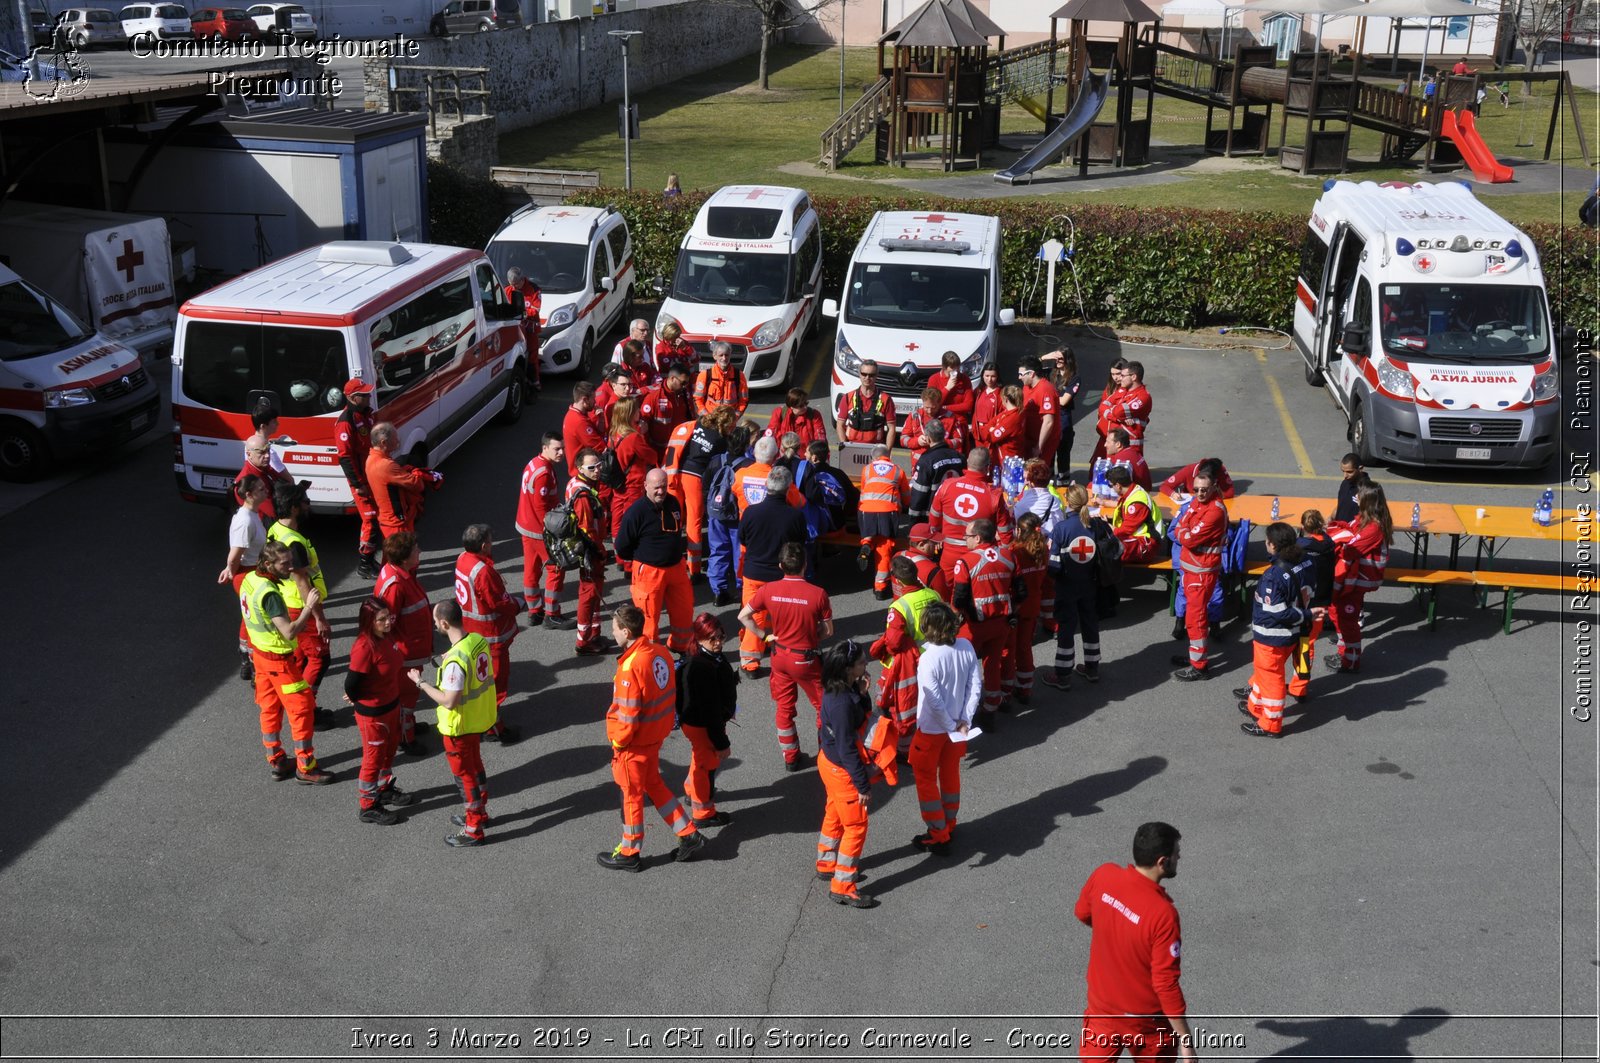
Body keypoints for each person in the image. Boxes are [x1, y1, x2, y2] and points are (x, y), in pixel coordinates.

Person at [597, 604, 708, 871]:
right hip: (654, 737)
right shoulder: (660, 652)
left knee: (631, 796)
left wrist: (618, 742)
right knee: (655, 787)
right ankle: (688, 834)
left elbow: (628, 714)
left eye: (614, 630)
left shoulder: (630, 667)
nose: (612, 634)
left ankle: (629, 851)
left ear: (626, 631)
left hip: (633, 743)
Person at [1075, 822, 1196, 1062]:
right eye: (1176, 854)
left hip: (1101, 1011)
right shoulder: (1163, 915)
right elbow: (1165, 984)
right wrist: (1186, 1041)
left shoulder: (1104, 875)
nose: (1179, 856)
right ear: (1162, 862)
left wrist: (1117, 930)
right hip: (1146, 1023)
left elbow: (1082, 913)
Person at [238, 541, 330, 785]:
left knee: (269, 708)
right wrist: (308, 607)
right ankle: (306, 767)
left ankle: (276, 760)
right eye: (285, 563)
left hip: (260, 657)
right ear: (268, 564)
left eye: (291, 561)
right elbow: (289, 632)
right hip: (279, 661)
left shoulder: (250, 580)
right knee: (301, 708)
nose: (290, 568)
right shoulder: (270, 594)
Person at [409, 601, 496, 848]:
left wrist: (421, 683)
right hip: (477, 719)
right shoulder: (476, 640)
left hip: (458, 726)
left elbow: (449, 701)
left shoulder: (455, 662)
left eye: (436, 621)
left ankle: (473, 828)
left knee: (464, 776)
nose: (435, 625)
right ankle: (481, 814)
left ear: (445, 624)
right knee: (476, 768)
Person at [741, 542, 834, 771]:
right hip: (806, 659)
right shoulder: (818, 594)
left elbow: (744, 616)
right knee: (824, 706)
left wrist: (765, 636)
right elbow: (829, 631)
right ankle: (827, 753)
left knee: (784, 708)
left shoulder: (768, 590)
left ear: (781, 565)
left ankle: (790, 757)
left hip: (779, 656)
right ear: (805, 564)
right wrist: (812, 636)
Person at [1236, 523, 1322, 739]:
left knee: (1272, 677)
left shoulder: (1274, 575)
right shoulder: (1308, 561)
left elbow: (1278, 612)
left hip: (1272, 636)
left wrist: (1306, 615)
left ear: (1272, 545)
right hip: (1292, 633)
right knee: (1266, 674)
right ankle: (1255, 707)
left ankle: (1271, 724)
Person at [909, 601, 980, 856]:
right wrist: (965, 720)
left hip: (931, 730)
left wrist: (951, 724)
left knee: (926, 779)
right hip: (958, 730)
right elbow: (975, 686)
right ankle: (949, 823)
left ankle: (938, 834)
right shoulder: (966, 646)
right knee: (950, 774)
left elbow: (934, 700)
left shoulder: (928, 659)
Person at [343, 597, 418, 824]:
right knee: (373, 759)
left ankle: (383, 788)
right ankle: (368, 805)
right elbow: (351, 683)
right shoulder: (364, 647)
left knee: (389, 750)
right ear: (369, 622)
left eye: (388, 617)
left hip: (391, 706)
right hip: (373, 715)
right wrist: (355, 697)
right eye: (381, 619)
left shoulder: (386, 637)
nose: (387, 622)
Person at [815, 639, 878, 908]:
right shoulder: (841, 704)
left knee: (834, 813)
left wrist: (863, 694)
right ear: (848, 668)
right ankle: (843, 885)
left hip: (829, 764)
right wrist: (862, 785)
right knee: (855, 826)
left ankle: (826, 862)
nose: (866, 664)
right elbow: (847, 748)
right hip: (841, 770)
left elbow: (858, 716)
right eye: (862, 661)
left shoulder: (843, 690)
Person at [267, 481, 335, 729]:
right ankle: (307, 708)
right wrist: (319, 617)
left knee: (299, 659)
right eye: (305, 501)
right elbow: (303, 581)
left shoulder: (276, 529)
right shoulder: (294, 542)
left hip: (288, 602)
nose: (309, 504)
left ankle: (296, 702)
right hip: (300, 606)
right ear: (294, 508)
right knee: (319, 659)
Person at [453, 523, 521, 744]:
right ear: (483, 546)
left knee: (479, 681)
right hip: (491, 637)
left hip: (472, 631)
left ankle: (485, 720)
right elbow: (498, 602)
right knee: (494, 685)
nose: (492, 544)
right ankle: (494, 728)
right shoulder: (483, 571)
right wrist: (518, 605)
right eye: (491, 541)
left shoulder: (463, 559)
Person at [615, 469, 694, 654]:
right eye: (657, 487)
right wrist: (643, 557)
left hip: (676, 569)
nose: (661, 491)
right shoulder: (636, 512)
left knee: (684, 613)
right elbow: (622, 546)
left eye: (664, 486)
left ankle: (681, 646)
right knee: (648, 620)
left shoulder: (673, 502)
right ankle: (650, 655)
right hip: (650, 573)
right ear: (646, 486)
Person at [950, 517, 1018, 725]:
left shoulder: (966, 561)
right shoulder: (1008, 556)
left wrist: (955, 618)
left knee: (962, 669)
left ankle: (959, 712)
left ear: (978, 538)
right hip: (1001, 623)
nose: (965, 540)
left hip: (974, 626)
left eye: (968, 536)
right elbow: (1020, 591)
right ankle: (990, 710)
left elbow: (959, 598)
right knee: (993, 665)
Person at [871, 554, 941, 749]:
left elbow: (893, 644)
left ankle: (903, 746)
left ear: (897, 579)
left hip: (909, 663)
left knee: (901, 703)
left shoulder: (899, 606)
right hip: (934, 655)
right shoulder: (933, 595)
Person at [374, 531, 432, 757]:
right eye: (416, 549)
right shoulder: (396, 585)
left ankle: (407, 724)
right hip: (405, 654)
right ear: (405, 558)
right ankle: (405, 738)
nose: (419, 551)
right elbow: (386, 625)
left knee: (409, 696)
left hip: (410, 650)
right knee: (407, 697)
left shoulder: (400, 574)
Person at [1042, 485, 1103, 691]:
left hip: (1067, 586)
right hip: (1089, 585)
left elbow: (1054, 565)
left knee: (1067, 629)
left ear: (1068, 502)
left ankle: (1062, 675)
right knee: (1090, 624)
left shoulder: (1061, 529)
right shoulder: (1094, 525)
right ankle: (1092, 668)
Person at [1327, 483, 1392, 674]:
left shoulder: (1373, 528)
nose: (1355, 499)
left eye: (1359, 497)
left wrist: (1336, 538)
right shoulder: (1365, 520)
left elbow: (1350, 549)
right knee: (1338, 615)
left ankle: (1351, 660)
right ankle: (1344, 652)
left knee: (1347, 620)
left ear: (1367, 502)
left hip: (1355, 582)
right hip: (1351, 581)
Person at [679, 613, 736, 829]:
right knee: (706, 767)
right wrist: (722, 743)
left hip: (698, 723)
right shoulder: (702, 668)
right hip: (703, 725)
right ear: (699, 638)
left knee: (699, 758)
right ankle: (703, 812)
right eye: (712, 638)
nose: (718, 642)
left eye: (721, 636)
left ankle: (690, 790)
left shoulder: (704, 657)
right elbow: (710, 711)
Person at [1170, 470, 1228, 682]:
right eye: (1196, 490)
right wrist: (1184, 530)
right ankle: (1196, 657)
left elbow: (1188, 539)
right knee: (1193, 617)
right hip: (1192, 570)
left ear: (1213, 487)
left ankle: (1200, 666)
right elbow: (1180, 526)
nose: (1199, 493)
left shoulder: (1215, 511)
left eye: (1204, 490)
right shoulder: (1197, 503)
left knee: (1196, 619)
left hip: (1201, 573)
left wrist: (1184, 531)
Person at [929, 447, 1012, 589]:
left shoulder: (947, 486)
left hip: (949, 555)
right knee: (976, 596)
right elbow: (1006, 534)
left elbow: (934, 517)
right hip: (979, 558)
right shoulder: (994, 496)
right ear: (987, 467)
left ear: (967, 462)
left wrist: (936, 536)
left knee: (947, 593)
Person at [516, 432, 575, 630]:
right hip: (539, 530)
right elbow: (541, 506)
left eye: (563, 448)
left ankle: (535, 610)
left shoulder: (534, 463)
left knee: (531, 570)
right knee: (556, 568)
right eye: (557, 449)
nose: (561, 453)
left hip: (525, 526)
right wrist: (554, 529)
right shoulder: (543, 473)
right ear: (545, 448)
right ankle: (552, 614)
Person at [219, 473, 269, 682]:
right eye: (261, 489)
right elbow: (235, 553)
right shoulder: (245, 521)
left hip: (252, 572)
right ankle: (250, 661)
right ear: (248, 495)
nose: (265, 491)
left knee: (250, 616)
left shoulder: (252, 515)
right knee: (254, 617)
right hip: (247, 574)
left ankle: (247, 660)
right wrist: (230, 570)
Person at [679, 405, 739, 580]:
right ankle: (694, 568)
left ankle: (686, 560)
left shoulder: (700, 424)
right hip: (697, 477)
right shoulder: (721, 440)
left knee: (683, 518)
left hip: (682, 472)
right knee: (695, 521)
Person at [705, 421, 759, 609]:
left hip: (716, 514)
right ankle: (741, 588)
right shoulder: (748, 465)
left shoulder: (715, 460)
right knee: (739, 553)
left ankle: (718, 592)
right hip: (737, 516)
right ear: (746, 445)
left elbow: (705, 486)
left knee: (717, 551)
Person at [334, 378, 382, 578]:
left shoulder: (366, 414)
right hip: (361, 480)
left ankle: (371, 561)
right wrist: (358, 484)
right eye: (364, 394)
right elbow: (344, 456)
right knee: (370, 519)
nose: (369, 396)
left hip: (371, 475)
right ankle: (364, 565)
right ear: (353, 398)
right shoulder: (346, 422)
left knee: (378, 516)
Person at [567, 448, 612, 656]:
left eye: (599, 465)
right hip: (590, 554)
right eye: (592, 467)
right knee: (589, 596)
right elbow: (588, 532)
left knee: (593, 595)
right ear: (580, 468)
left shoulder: (575, 484)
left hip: (588, 552)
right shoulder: (583, 496)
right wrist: (600, 552)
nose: (597, 470)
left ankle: (594, 633)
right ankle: (583, 641)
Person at [1288, 509, 1335, 704]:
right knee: (1307, 645)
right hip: (1321, 603)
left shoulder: (1298, 548)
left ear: (1301, 527)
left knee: (1285, 645)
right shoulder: (1329, 544)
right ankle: (1300, 687)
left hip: (1301, 605)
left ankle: (1266, 684)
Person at [366, 422, 439, 539]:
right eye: (395, 439)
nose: (398, 441)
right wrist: (416, 472)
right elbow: (418, 485)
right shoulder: (386, 465)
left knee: (392, 555)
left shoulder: (371, 459)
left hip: (387, 520)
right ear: (384, 443)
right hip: (397, 523)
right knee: (404, 555)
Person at [857, 444, 910, 600]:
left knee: (870, 533)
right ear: (889, 455)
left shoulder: (866, 469)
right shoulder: (898, 471)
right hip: (888, 512)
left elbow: (863, 491)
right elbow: (907, 497)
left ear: (873, 457)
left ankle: (866, 543)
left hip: (866, 510)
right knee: (884, 548)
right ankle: (880, 588)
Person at [1010, 511, 1049, 704]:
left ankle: (1006, 690)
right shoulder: (1043, 549)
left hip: (1016, 608)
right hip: (1033, 606)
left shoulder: (1015, 552)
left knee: (1009, 650)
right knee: (1024, 648)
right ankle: (1025, 688)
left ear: (1019, 530)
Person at [607, 397, 659, 544]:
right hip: (633, 485)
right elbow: (651, 456)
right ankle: (629, 559)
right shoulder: (634, 437)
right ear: (630, 414)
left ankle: (619, 554)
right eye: (636, 409)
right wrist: (643, 433)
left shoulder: (613, 433)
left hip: (618, 483)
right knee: (633, 519)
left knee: (617, 518)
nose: (639, 411)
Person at [237, 398, 288, 522]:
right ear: (263, 426)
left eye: (267, 451)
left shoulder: (251, 444)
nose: (266, 456)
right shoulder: (270, 453)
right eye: (274, 421)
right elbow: (288, 480)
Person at [1107, 466, 1165, 565]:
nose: (1111, 488)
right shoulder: (1133, 492)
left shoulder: (1137, 503)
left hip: (1146, 544)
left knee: (1108, 550)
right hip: (1139, 538)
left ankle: (1111, 578)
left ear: (1118, 485)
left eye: (1111, 485)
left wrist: (1111, 529)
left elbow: (1127, 529)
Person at [908, 420, 964, 521]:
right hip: (954, 510)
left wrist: (914, 517)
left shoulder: (926, 460)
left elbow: (919, 492)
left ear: (928, 438)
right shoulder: (959, 457)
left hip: (932, 513)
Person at [835, 359, 896, 447]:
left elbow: (892, 428)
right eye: (864, 374)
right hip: (852, 446)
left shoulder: (886, 399)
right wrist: (845, 446)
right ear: (859, 374)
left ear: (876, 376)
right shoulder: (848, 397)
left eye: (871, 375)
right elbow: (840, 425)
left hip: (875, 448)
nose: (867, 378)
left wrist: (886, 452)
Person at [1041, 346, 1081, 478]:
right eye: (1055, 358)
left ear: (1068, 360)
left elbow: (1064, 401)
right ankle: (1048, 479)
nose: (1057, 361)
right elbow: (1030, 369)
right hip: (1050, 415)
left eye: (1060, 358)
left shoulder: (1074, 378)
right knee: (1048, 453)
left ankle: (1063, 481)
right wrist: (1044, 357)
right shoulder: (1051, 373)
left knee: (1063, 453)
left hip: (1063, 418)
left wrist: (1046, 400)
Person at [901, 387, 967, 464]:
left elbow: (959, 441)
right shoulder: (915, 416)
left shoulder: (950, 417)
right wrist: (917, 441)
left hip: (941, 461)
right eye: (926, 407)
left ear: (939, 403)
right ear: (923, 403)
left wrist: (941, 443)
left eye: (933, 408)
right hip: (919, 462)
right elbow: (903, 439)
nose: (929, 411)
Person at [503, 266, 542, 392]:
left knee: (532, 359)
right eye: (512, 284)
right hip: (515, 331)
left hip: (530, 331)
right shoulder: (507, 290)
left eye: (516, 284)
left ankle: (535, 384)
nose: (514, 287)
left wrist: (521, 312)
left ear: (522, 280)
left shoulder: (534, 289)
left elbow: (535, 311)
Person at [639, 363, 695, 451]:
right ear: (672, 378)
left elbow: (690, 419)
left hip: (679, 449)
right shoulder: (654, 396)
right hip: (657, 451)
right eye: (683, 383)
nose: (685, 386)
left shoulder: (685, 395)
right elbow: (643, 427)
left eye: (687, 383)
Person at [1017, 354, 1061, 467]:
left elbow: (1048, 421)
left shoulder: (1045, 390)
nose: (1019, 377)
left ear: (1031, 374)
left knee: (1036, 472)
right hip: (1030, 438)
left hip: (1042, 442)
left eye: (1021, 374)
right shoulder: (1026, 387)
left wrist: (1039, 446)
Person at [238, 432, 288, 526]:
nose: (267, 456)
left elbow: (287, 482)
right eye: (261, 452)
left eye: (268, 451)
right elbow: (270, 512)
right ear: (249, 454)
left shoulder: (264, 468)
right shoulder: (246, 480)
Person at [895, 523, 949, 601]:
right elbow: (944, 600)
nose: (937, 545)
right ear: (922, 544)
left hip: (899, 607)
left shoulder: (897, 557)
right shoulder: (934, 571)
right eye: (933, 542)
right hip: (923, 611)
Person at [693, 341, 748, 416]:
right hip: (709, 419)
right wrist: (707, 417)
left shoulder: (739, 375)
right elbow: (697, 400)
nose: (724, 358)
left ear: (730, 355)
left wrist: (735, 417)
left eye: (726, 355)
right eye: (721, 355)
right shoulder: (705, 375)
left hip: (729, 421)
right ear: (714, 356)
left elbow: (744, 401)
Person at [563, 381, 606, 473]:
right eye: (593, 398)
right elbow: (600, 448)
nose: (595, 402)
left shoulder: (575, 414)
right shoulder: (579, 422)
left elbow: (596, 435)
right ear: (585, 400)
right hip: (584, 473)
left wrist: (601, 420)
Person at [1090, 361, 1128, 464]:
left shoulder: (1129, 391)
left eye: (1118, 374)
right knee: (1097, 466)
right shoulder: (1110, 387)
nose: (1115, 378)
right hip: (1105, 435)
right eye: (1112, 374)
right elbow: (1101, 408)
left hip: (1118, 438)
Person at [984, 385, 1027, 466]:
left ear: (1006, 399)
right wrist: (992, 427)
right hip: (1010, 456)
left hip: (1008, 459)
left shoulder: (1012, 418)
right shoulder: (1010, 412)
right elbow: (991, 423)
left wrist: (993, 429)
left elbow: (991, 437)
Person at [1159, 457, 1234, 500]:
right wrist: (1173, 494)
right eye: (1196, 489)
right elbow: (1164, 486)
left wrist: (1209, 497)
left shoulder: (1220, 470)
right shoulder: (1188, 470)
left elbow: (1229, 492)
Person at [931, 350, 975, 422]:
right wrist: (947, 388)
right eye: (952, 367)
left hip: (959, 421)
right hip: (940, 421)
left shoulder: (965, 379)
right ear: (944, 367)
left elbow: (968, 405)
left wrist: (945, 407)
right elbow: (932, 403)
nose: (956, 370)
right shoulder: (934, 379)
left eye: (957, 367)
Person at [595, 365, 637, 433]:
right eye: (623, 385)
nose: (627, 388)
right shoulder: (613, 406)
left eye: (629, 384)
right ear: (614, 385)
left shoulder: (623, 399)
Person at [971, 362, 1003, 441]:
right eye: (987, 376)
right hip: (977, 432)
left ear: (998, 376)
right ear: (982, 376)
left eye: (993, 376)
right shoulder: (978, 391)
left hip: (991, 432)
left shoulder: (1001, 394)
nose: (989, 379)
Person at [1332, 452, 1367, 523]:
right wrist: (1331, 518)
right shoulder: (1345, 483)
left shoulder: (1368, 489)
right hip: (1340, 529)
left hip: (1354, 531)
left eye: (1349, 472)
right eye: (1343, 471)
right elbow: (1342, 505)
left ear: (1360, 469)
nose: (1345, 476)